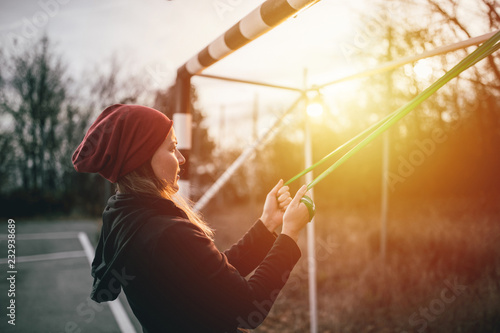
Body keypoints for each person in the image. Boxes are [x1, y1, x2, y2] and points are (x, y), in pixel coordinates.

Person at [72, 104, 311, 333]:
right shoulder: (167, 231)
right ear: (142, 158)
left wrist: (267, 223)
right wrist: (289, 234)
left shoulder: (124, 215)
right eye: (171, 147)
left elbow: (210, 278)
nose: (181, 157)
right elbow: (248, 308)